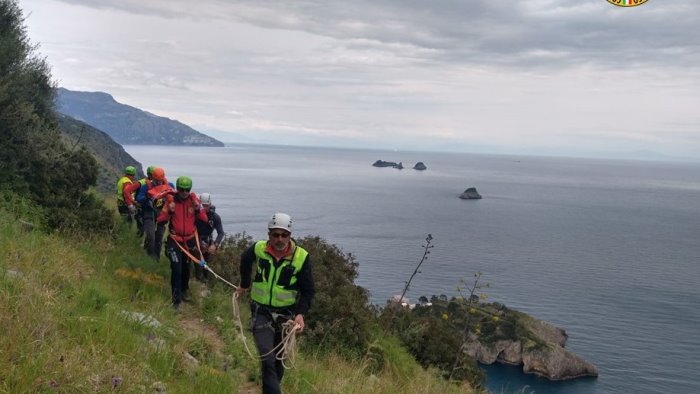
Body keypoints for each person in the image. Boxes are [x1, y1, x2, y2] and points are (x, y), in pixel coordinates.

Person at [236, 213, 315, 394]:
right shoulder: (258, 248)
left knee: (279, 363)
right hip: (261, 311)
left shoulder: (301, 257)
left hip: (286, 316)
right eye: (275, 234)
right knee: (267, 357)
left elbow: (308, 290)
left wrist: (300, 314)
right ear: (269, 234)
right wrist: (244, 285)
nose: (279, 239)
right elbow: (245, 259)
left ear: (290, 235)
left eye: (284, 235)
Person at [158, 176, 207, 309]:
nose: (184, 192)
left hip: (190, 240)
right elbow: (161, 219)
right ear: (177, 189)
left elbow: (204, 218)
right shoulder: (171, 201)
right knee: (176, 268)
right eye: (181, 189)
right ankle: (176, 300)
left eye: (187, 189)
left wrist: (198, 208)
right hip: (175, 240)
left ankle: (184, 289)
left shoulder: (193, 201)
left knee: (186, 268)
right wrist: (169, 210)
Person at [124, 167, 173, 259]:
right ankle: (151, 256)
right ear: (152, 178)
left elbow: (175, 196)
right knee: (151, 236)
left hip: (162, 213)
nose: (159, 182)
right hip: (149, 212)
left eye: (160, 180)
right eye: (156, 180)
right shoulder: (146, 186)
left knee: (159, 237)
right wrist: (147, 196)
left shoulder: (169, 185)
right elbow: (139, 199)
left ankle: (156, 258)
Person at [194, 193, 225, 281]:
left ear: (210, 205)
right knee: (197, 263)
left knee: (205, 265)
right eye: (202, 205)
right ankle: (198, 281)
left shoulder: (215, 217)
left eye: (206, 206)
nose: (204, 208)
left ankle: (204, 281)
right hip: (195, 239)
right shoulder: (194, 215)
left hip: (207, 241)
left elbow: (221, 233)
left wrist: (215, 245)